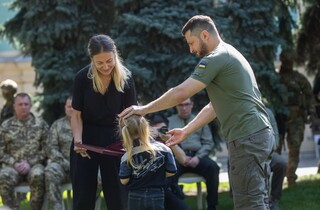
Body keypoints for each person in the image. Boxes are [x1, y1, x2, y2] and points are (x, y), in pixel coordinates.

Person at [119, 15, 274, 210]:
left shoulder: (216, 58)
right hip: (255, 136)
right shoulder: (230, 53)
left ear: (204, 35)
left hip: (248, 139)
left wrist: (143, 109)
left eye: (191, 42)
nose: (191, 49)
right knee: (256, 200)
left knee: (250, 205)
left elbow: (181, 93)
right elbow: (214, 106)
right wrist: (186, 131)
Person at [70, 34, 137, 210]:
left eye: (109, 60)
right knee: (83, 196)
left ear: (115, 54)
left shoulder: (127, 78)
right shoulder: (82, 78)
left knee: (119, 195)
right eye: (100, 63)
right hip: (86, 138)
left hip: (115, 139)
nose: (105, 66)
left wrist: (130, 142)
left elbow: (132, 114)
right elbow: (76, 115)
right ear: (92, 59)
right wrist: (78, 141)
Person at [167, 97, 220, 210]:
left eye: (187, 104)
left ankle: (212, 205)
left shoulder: (199, 120)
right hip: (178, 157)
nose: (184, 108)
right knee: (168, 172)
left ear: (192, 105)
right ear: (176, 106)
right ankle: (176, 205)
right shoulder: (170, 121)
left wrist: (198, 157)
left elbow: (208, 143)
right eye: (181, 105)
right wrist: (180, 156)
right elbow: (166, 142)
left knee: (213, 167)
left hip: (197, 156)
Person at [0, 92, 49, 210]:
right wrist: (14, 163)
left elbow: (47, 149)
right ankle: (12, 208)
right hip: (13, 166)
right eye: (20, 104)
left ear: (30, 106)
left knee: (39, 175)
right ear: (14, 106)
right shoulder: (6, 126)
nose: (23, 107)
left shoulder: (41, 124)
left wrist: (30, 163)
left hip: (34, 165)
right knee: (3, 176)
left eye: (26, 104)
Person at [118, 115, 177, 210]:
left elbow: (124, 180)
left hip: (135, 195)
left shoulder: (127, 156)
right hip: (157, 194)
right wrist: (155, 173)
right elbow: (172, 171)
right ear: (147, 127)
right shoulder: (164, 149)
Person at [277, 51, 312, 186]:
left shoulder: (299, 78)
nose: (288, 63)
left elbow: (308, 94)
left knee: (295, 147)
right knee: (276, 149)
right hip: (279, 118)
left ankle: (291, 177)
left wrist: (308, 111)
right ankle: (277, 179)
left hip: (296, 119)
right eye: (286, 60)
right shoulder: (276, 79)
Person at [149, 114, 190, 210]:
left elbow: (183, 159)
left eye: (163, 129)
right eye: (157, 130)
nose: (160, 133)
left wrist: (169, 141)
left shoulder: (170, 140)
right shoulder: (145, 143)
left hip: (170, 188)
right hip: (154, 189)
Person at [44, 96, 73, 210]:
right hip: (63, 165)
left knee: (99, 176)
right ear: (65, 108)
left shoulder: (88, 124)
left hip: (84, 166)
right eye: (69, 106)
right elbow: (51, 148)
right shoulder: (57, 125)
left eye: (74, 106)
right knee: (50, 171)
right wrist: (67, 164)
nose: (71, 109)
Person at [265, 107, 287, 210]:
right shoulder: (241, 111)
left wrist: (272, 148)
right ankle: (238, 202)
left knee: (281, 163)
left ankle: (273, 199)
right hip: (247, 154)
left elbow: (275, 133)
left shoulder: (267, 112)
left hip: (267, 152)